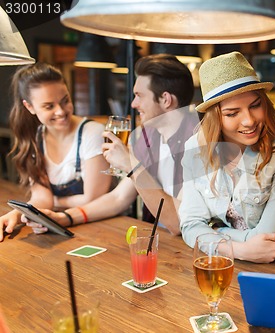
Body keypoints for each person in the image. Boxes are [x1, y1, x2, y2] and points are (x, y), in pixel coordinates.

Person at [24, 54, 198, 235]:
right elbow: (119, 198)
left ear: (165, 100)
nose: (133, 103)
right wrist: (66, 218)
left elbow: (178, 223)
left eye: (139, 95)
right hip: (160, 241)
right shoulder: (150, 138)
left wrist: (131, 166)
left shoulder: (197, 143)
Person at [179, 51, 275, 263]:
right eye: (232, 113)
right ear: (214, 118)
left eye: (255, 106)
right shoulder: (195, 149)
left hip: (273, 270)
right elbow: (190, 226)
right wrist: (238, 249)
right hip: (222, 264)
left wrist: (212, 229)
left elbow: (268, 239)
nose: (248, 121)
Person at [0, 63, 112, 241]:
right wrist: (17, 214)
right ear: (29, 107)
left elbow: (93, 199)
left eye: (65, 101)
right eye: (48, 106)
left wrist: (54, 201)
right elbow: (42, 198)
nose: (61, 111)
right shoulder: (36, 137)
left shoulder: (92, 133)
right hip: (56, 226)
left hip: (100, 229)